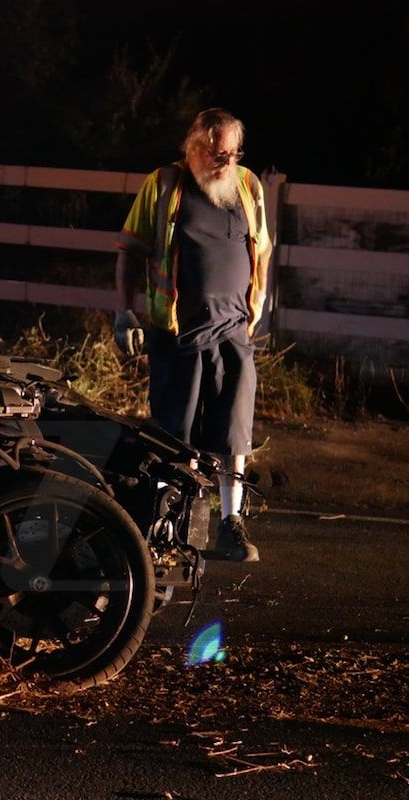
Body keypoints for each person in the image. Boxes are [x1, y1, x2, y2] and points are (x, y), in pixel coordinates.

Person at [114, 107, 272, 562]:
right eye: (216, 152)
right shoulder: (164, 184)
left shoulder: (248, 186)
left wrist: (254, 311)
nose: (225, 161)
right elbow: (129, 251)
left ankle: (230, 524)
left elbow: (261, 249)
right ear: (194, 146)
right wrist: (125, 315)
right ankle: (158, 529)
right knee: (172, 433)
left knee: (233, 432)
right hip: (178, 334)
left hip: (232, 330)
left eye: (232, 153)